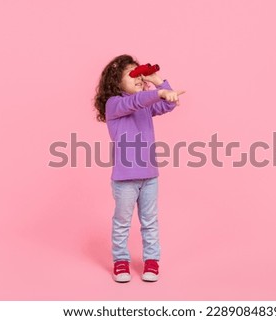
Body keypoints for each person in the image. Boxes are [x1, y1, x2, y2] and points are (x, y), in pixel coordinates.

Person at [94, 54, 185, 282]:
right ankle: (121, 261)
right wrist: (157, 93)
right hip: (125, 180)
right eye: (131, 74)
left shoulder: (145, 105)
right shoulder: (115, 104)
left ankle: (152, 261)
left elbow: (168, 104)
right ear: (116, 81)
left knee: (150, 221)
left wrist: (158, 81)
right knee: (122, 221)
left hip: (149, 177)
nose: (137, 78)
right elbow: (136, 101)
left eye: (138, 74)